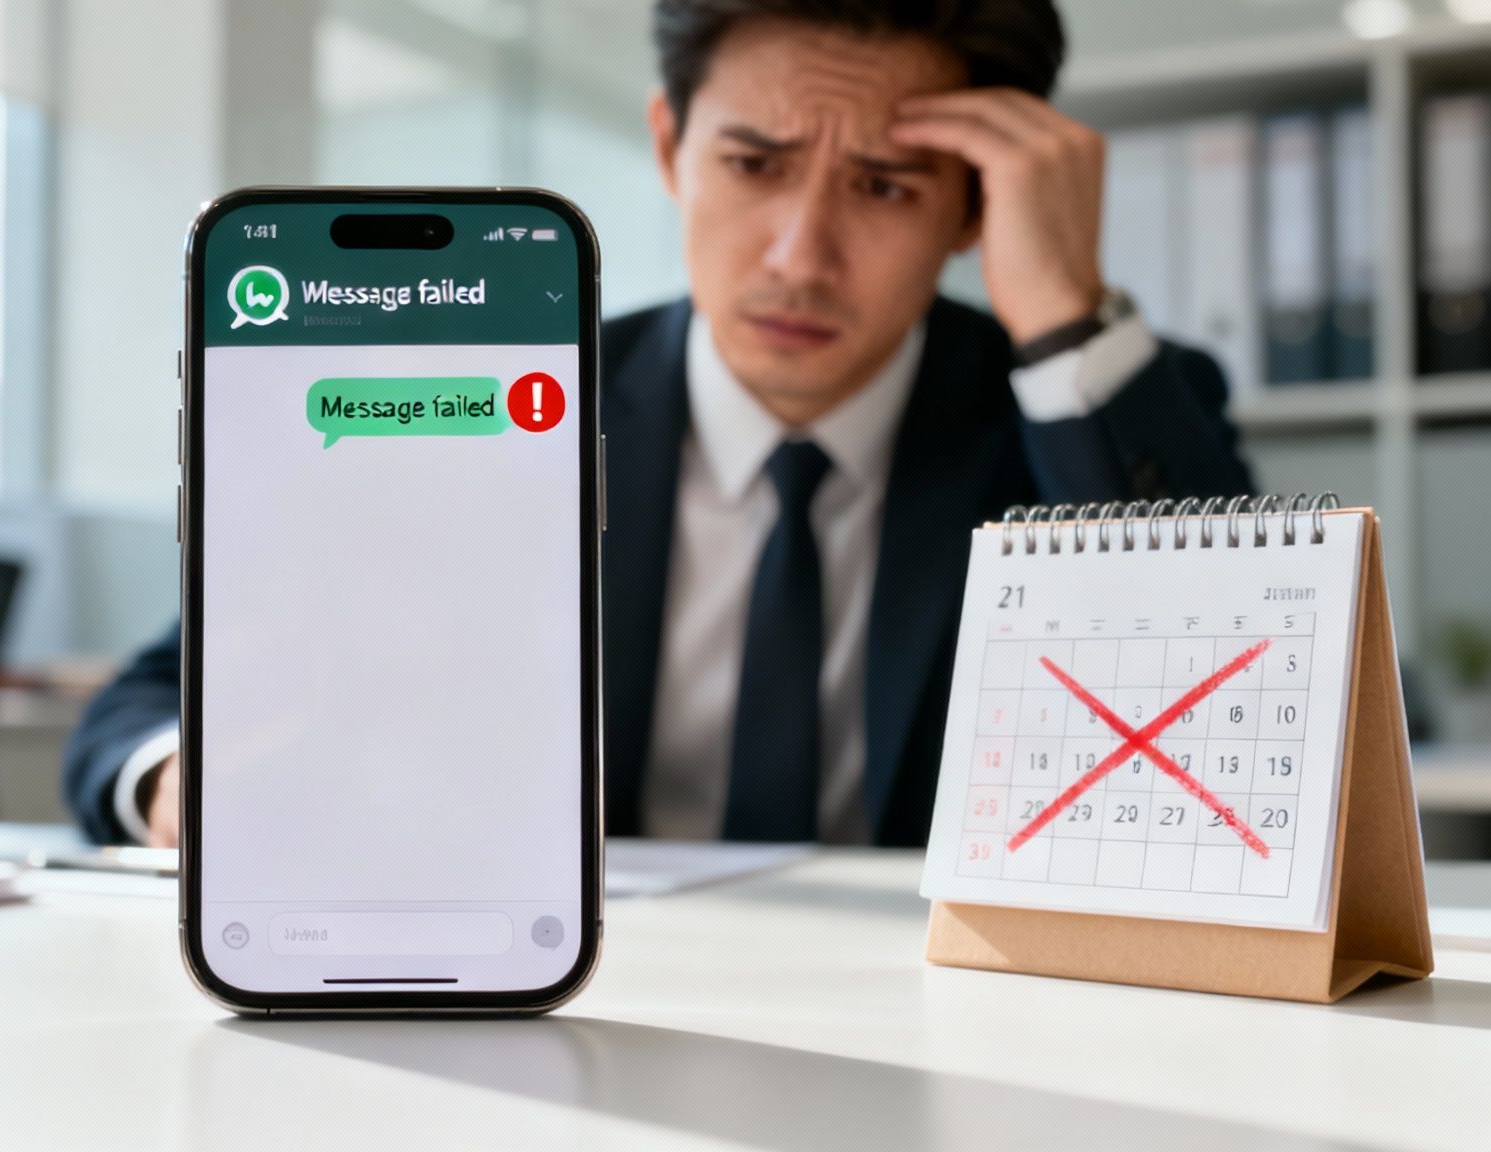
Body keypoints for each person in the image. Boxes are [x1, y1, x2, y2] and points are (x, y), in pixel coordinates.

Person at [64, 0, 1252, 849]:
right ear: (668, 146)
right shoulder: (488, 404)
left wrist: (1062, 322)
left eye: (883, 187)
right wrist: (183, 783)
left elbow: (1238, 738)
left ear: (970, 210)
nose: (799, 256)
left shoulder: (1074, 407)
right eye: (752, 164)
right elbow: (152, 700)